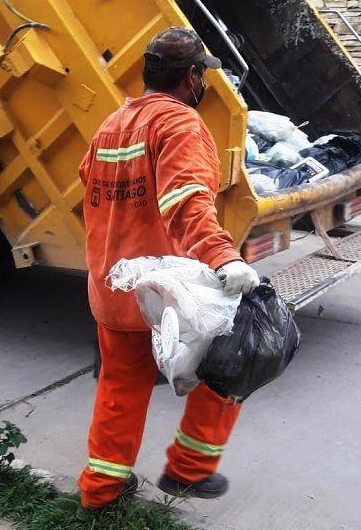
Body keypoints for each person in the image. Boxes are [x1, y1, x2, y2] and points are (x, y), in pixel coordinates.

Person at [76, 27, 260, 509]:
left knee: (120, 386)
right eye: (203, 76)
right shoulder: (179, 124)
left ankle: (101, 491)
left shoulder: (114, 123)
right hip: (163, 292)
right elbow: (186, 203)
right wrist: (224, 257)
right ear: (193, 76)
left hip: (113, 284)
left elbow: (87, 189)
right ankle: (189, 470)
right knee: (231, 367)